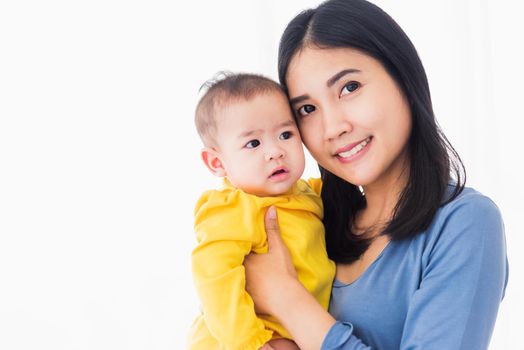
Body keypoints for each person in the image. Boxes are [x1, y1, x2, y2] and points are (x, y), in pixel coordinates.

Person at [243, 0, 509, 349]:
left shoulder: (464, 221)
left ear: (402, 76)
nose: (333, 127)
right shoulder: (310, 216)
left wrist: (287, 300)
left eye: (349, 87)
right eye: (307, 109)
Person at [187, 72, 336, 350]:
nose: (276, 151)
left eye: (285, 134)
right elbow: (214, 276)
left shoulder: (306, 193)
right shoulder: (232, 208)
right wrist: (250, 342)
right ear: (217, 163)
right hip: (250, 336)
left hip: (297, 329)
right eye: (253, 143)